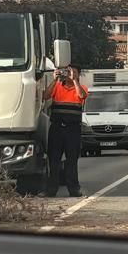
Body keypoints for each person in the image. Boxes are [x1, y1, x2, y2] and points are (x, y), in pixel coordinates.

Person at [46, 64, 88, 197]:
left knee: (71, 160)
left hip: (73, 129)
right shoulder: (57, 86)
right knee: (54, 160)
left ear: (78, 75)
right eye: (69, 72)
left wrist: (75, 81)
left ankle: (74, 189)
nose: (70, 74)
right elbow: (45, 96)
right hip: (57, 127)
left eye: (74, 72)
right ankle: (51, 189)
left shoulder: (82, 88)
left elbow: (81, 96)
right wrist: (54, 80)